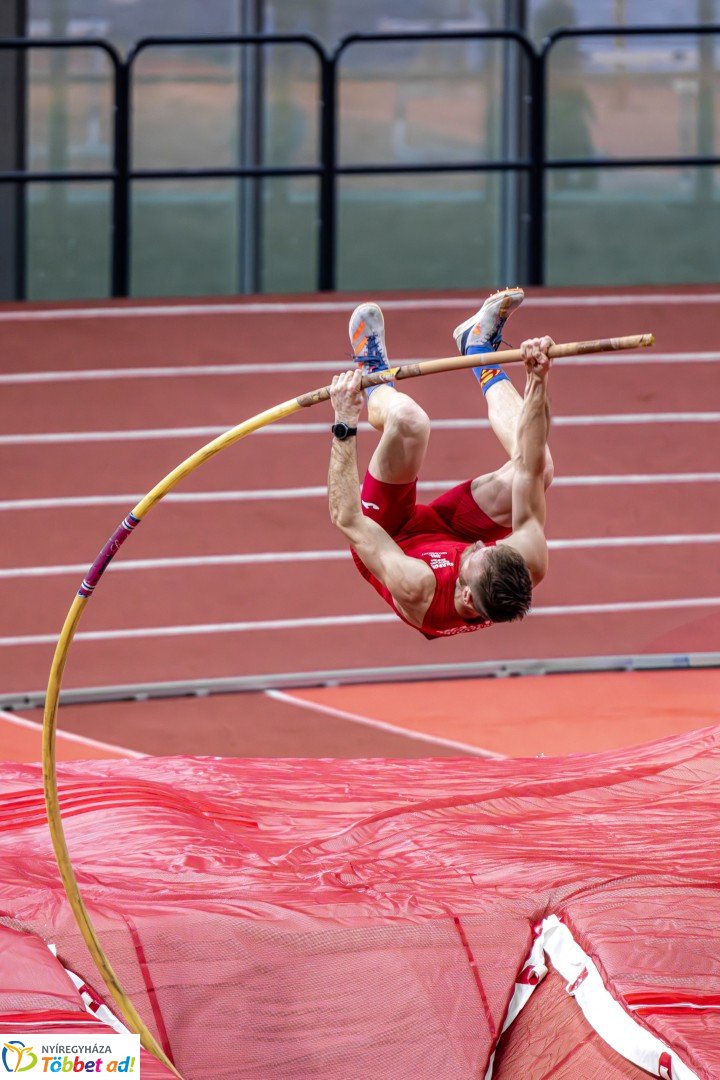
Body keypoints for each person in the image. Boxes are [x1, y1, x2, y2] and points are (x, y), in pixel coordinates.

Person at [327, 287, 554, 639]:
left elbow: (346, 517)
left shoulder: (416, 586)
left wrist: (344, 420)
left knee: (408, 421)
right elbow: (530, 464)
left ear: (465, 594)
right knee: (540, 472)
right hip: (447, 533)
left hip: (389, 538)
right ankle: (478, 347)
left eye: (475, 554)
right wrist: (537, 380)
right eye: (488, 546)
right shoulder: (527, 562)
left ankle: (373, 374)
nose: (480, 544)